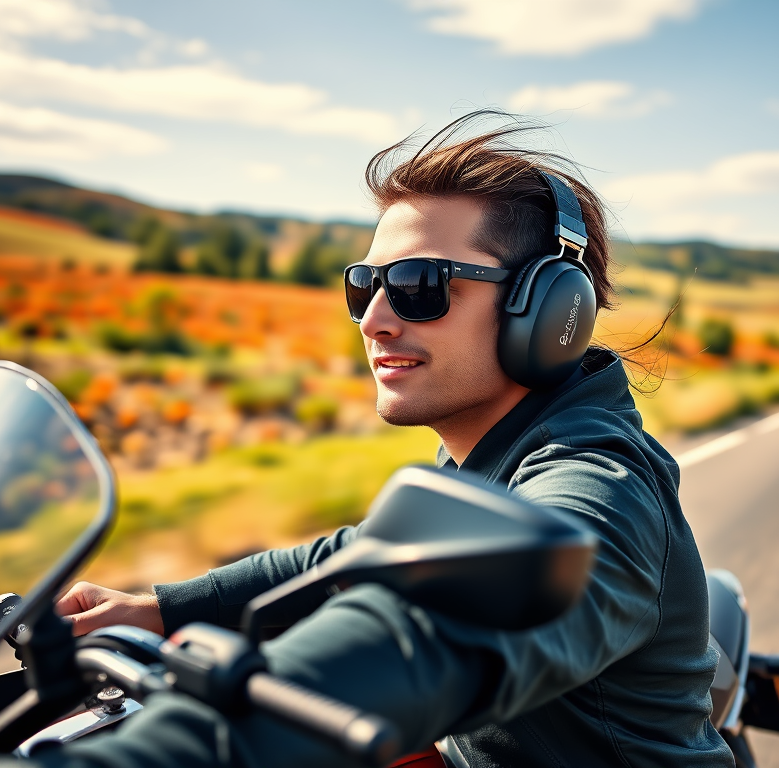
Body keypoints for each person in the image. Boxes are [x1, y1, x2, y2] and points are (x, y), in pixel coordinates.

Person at [36, 113, 733, 767]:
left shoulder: (599, 485)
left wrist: (169, 751)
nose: (373, 320)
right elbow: (358, 555)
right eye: (363, 285)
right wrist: (160, 610)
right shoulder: (490, 450)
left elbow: (454, 616)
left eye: (419, 285)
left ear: (549, 309)